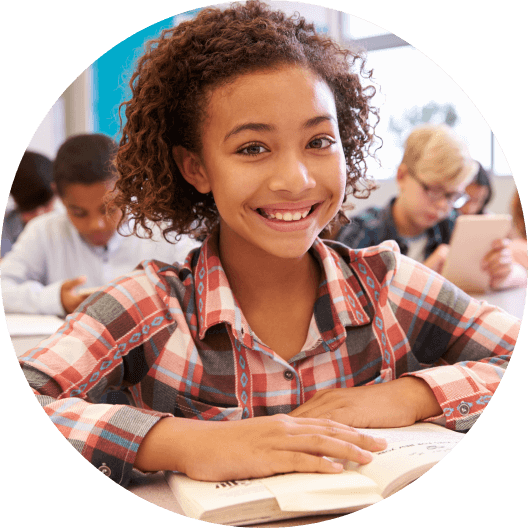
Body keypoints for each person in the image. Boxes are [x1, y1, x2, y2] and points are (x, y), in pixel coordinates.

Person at [16, 1, 518, 489]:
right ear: (196, 167)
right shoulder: (150, 307)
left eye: (319, 142)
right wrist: (188, 443)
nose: (295, 180)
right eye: (252, 148)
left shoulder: (390, 284)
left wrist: (411, 396)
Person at [1, 133, 199, 315]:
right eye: (79, 212)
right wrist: (55, 300)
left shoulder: (163, 230)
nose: (96, 225)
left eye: (110, 208)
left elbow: (205, 282)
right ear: (59, 197)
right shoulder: (44, 231)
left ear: (126, 187)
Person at [335, 125, 519, 289]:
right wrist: (422, 276)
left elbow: (519, 275)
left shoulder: (453, 227)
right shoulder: (364, 232)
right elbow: (343, 299)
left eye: (452, 196)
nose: (442, 205)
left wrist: (503, 272)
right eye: (434, 191)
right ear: (402, 176)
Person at [1, 151, 59, 257]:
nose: (40, 214)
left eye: (46, 205)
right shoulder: (7, 227)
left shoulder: (71, 220)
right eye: (30, 210)